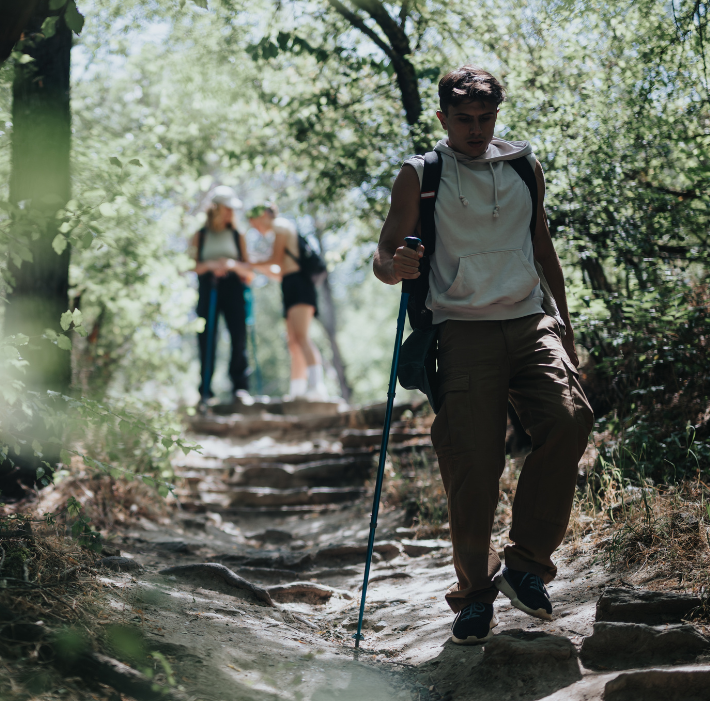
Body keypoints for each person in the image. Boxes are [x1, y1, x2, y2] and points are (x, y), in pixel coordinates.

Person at [372, 66, 593, 645]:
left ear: (497, 115)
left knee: (571, 418)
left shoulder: (522, 166)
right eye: (463, 119)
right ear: (443, 117)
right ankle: (474, 596)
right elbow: (384, 251)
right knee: (473, 466)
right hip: (461, 329)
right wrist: (393, 266)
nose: (475, 129)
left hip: (529, 320)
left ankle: (525, 564)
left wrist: (564, 322)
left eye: (485, 118)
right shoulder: (421, 174)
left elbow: (541, 244)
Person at [246, 203, 327, 399]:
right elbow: (280, 271)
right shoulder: (278, 230)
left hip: (300, 285)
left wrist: (248, 262)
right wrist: (254, 266)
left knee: (301, 337)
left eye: (254, 222)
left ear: (264, 214)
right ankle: (297, 391)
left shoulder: (281, 225)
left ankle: (317, 387)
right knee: (293, 342)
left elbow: (274, 259)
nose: (255, 228)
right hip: (289, 284)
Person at [189, 186, 254, 407]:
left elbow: (248, 270)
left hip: (234, 287)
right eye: (227, 209)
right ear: (215, 209)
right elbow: (191, 265)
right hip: (209, 287)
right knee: (206, 337)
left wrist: (231, 265)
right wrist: (211, 265)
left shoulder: (237, 235)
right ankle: (205, 391)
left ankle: (240, 388)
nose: (230, 213)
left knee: (238, 335)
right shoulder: (200, 235)